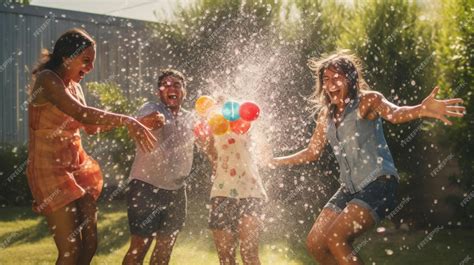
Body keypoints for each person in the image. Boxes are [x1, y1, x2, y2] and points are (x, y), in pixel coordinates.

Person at [268, 51, 465, 264]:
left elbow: (396, 114)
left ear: (350, 79)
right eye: (326, 79)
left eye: (337, 77)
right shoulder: (326, 114)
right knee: (315, 243)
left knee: (336, 238)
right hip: (348, 188)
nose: (331, 83)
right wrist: (275, 161)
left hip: (379, 183)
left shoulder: (368, 100)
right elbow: (312, 152)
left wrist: (421, 109)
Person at [27, 28, 158, 265]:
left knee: (89, 244)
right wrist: (128, 119)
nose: (89, 68)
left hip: (76, 165)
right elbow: (81, 113)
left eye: (92, 62)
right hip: (48, 170)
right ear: (67, 58)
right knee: (71, 250)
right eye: (85, 61)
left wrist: (138, 121)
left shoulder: (75, 86)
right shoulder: (47, 80)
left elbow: (90, 125)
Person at [123, 69, 196, 265]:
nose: (172, 88)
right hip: (146, 187)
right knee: (140, 246)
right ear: (159, 92)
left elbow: (207, 142)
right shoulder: (151, 108)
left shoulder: (191, 118)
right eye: (166, 85)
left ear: (184, 91)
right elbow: (137, 125)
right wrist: (147, 123)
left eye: (177, 85)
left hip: (177, 191)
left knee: (165, 249)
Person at [202, 110, 267, 265]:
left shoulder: (247, 124)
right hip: (222, 193)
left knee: (249, 254)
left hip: (250, 193)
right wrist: (209, 137)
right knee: (225, 257)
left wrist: (250, 128)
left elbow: (264, 152)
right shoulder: (214, 128)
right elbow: (213, 160)